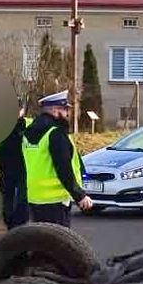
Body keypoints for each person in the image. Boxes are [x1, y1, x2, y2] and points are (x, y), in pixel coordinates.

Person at [22, 90, 94, 226]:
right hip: (56, 199)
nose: (67, 114)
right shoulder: (55, 133)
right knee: (59, 243)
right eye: (65, 110)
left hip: (34, 195)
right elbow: (64, 169)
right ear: (55, 110)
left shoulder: (29, 132)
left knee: (42, 241)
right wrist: (80, 195)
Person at [0, 105, 30, 229]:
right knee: (7, 196)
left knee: (23, 197)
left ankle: (20, 225)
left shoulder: (29, 124)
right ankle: (10, 224)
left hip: (25, 167)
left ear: (22, 111)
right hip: (6, 167)